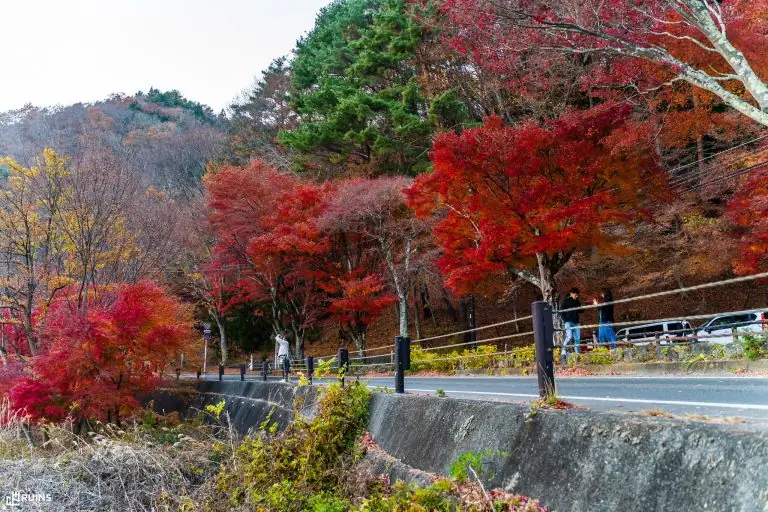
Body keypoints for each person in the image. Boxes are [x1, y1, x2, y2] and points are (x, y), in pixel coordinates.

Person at [559, 288, 582, 364]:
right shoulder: (566, 301)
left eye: (577, 294)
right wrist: (565, 320)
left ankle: (577, 355)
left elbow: (580, 311)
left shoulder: (577, 301)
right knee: (569, 336)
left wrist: (583, 307)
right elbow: (561, 311)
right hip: (568, 322)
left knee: (577, 339)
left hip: (576, 322)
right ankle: (563, 352)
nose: (577, 295)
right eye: (575, 293)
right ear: (571, 293)